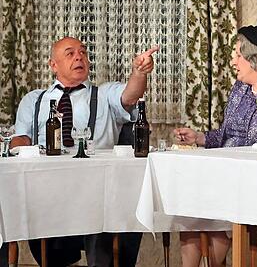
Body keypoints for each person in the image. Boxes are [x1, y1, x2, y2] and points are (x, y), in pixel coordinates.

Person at [172, 25, 257, 267]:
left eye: (238, 54)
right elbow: (227, 137)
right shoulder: (240, 89)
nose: (233, 60)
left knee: (213, 202)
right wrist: (199, 138)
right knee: (190, 201)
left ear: (256, 58)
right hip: (230, 173)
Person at [10, 36, 158, 267]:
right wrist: (17, 148)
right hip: (48, 190)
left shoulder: (105, 94)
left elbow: (130, 95)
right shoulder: (34, 100)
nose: (79, 57)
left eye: (83, 52)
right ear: (53, 65)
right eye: (70, 53)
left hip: (97, 190)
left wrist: (139, 72)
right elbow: (20, 139)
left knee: (101, 213)